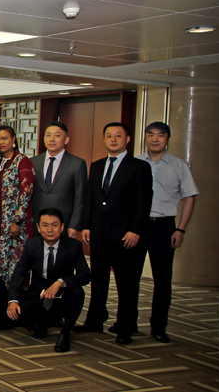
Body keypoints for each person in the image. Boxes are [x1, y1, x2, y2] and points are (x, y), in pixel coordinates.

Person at [75, 122, 153, 345]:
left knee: (126, 284)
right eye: (109, 135)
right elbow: (90, 198)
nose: (113, 139)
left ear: (127, 139)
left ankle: (125, 327)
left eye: (118, 135)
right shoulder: (97, 165)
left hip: (125, 236)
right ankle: (95, 320)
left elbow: (143, 202)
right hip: (99, 235)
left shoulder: (139, 167)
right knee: (98, 281)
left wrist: (136, 230)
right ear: (104, 139)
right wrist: (86, 226)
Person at [136, 122, 198, 343]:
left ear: (168, 139)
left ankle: (158, 327)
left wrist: (180, 228)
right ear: (145, 137)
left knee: (162, 280)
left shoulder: (179, 165)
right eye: (150, 134)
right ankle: (128, 323)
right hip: (137, 226)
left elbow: (189, 197)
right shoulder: (135, 163)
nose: (155, 139)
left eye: (160, 135)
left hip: (164, 226)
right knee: (130, 277)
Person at [6, 208, 91, 353]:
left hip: (63, 294)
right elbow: (19, 273)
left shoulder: (73, 246)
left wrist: (60, 282)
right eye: (45, 225)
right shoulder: (32, 245)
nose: (50, 230)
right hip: (39, 294)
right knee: (14, 317)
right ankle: (43, 324)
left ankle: (65, 332)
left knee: (78, 293)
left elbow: (85, 275)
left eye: (54, 225)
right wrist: (12, 300)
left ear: (62, 227)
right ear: (39, 227)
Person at [0, 125, 36, 287]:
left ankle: (14, 296)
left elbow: (26, 192)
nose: (1, 142)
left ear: (13, 139)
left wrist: (17, 221)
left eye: (4, 138)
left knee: (13, 262)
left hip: (13, 223)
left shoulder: (22, 161)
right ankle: (0, 296)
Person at [30, 122, 88, 240]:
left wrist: (75, 225)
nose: (52, 139)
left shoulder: (77, 164)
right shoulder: (33, 162)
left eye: (57, 135)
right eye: (48, 135)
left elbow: (80, 198)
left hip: (64, 224)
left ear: (66, 140)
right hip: (37, 223)